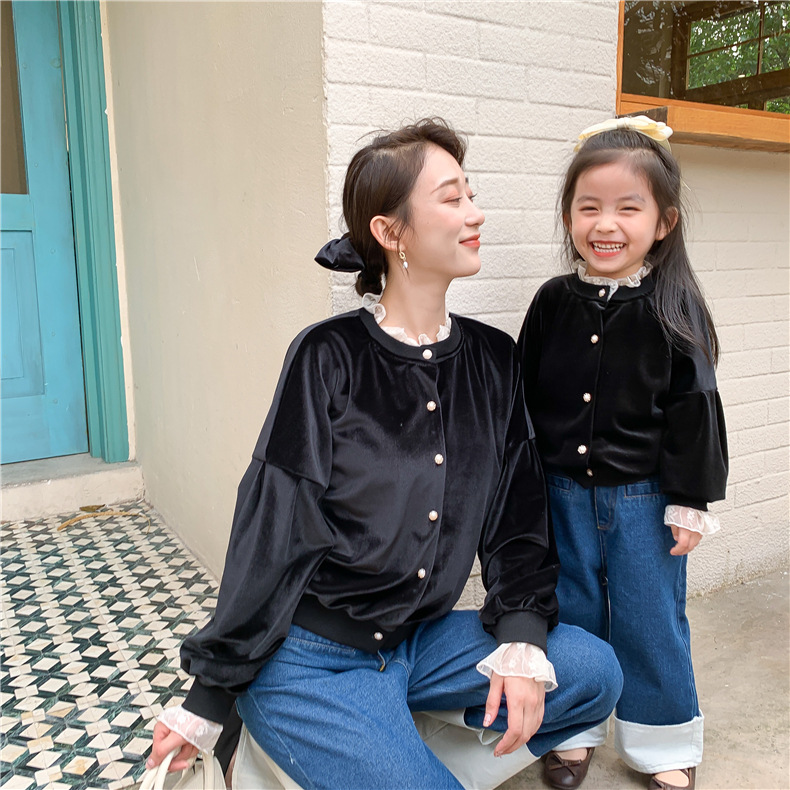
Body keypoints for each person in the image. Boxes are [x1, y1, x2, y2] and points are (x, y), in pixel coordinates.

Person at [146, 118, 622, 790]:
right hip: (312, 659)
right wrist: (211, 694)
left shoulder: (492, 359)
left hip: (417, 644)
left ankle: (384, 741)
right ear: (390, 232)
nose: (476, 213)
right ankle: (288, 744)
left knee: (593, 671)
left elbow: (517, 517)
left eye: (471, 193)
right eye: (452, 198)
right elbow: (273, 525)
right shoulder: (328, 355)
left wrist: (519, 637)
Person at [517, 116, 728, 790]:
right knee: (571, 615)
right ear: (570, 216)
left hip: (644, 500)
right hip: (560, 494)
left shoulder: (674, 306)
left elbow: (696, 410)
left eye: (627, 208)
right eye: (589, 207)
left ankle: (664, 744)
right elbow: (522, 397)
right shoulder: (552, 303)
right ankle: (571, 730)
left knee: (649, 620)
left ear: (662, 223)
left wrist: (690, 500)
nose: (606, 223)